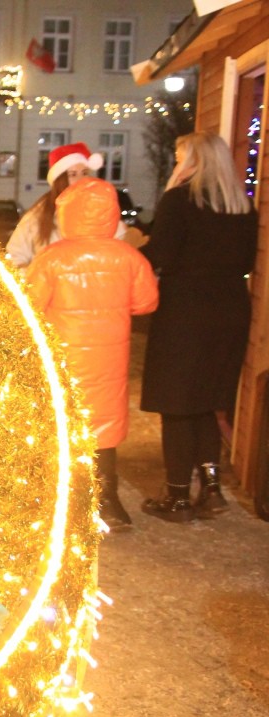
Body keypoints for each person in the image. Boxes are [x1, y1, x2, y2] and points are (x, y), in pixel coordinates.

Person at [26, 178, 159, 530]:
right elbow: (147, 302)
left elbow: (29, 305)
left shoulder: (52, 258)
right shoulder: (128, 257)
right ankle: (108, 502)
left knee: (62, 422)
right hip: (109, 359)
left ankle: (63, 505)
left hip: (64, 357)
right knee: (104, 426)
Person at [139, 131, 258, 522]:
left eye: (180, 157)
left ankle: (177, 496)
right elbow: (245, 262)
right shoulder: (243, 207)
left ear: (193, 161)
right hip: (230, 310)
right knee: (207, 401)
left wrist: (130, 252)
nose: (177, 164)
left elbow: (160, 254)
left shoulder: (180, 200)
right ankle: (211, 489)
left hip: (186, 310)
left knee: (175, 402)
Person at [7, 142, 127, 270]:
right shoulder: (39, 215)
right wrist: (34, 278)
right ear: (60, 180)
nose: (81, 180)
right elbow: (15, 256)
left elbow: (118, 250)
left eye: (84, 173)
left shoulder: (100, 211)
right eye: (73, 174)